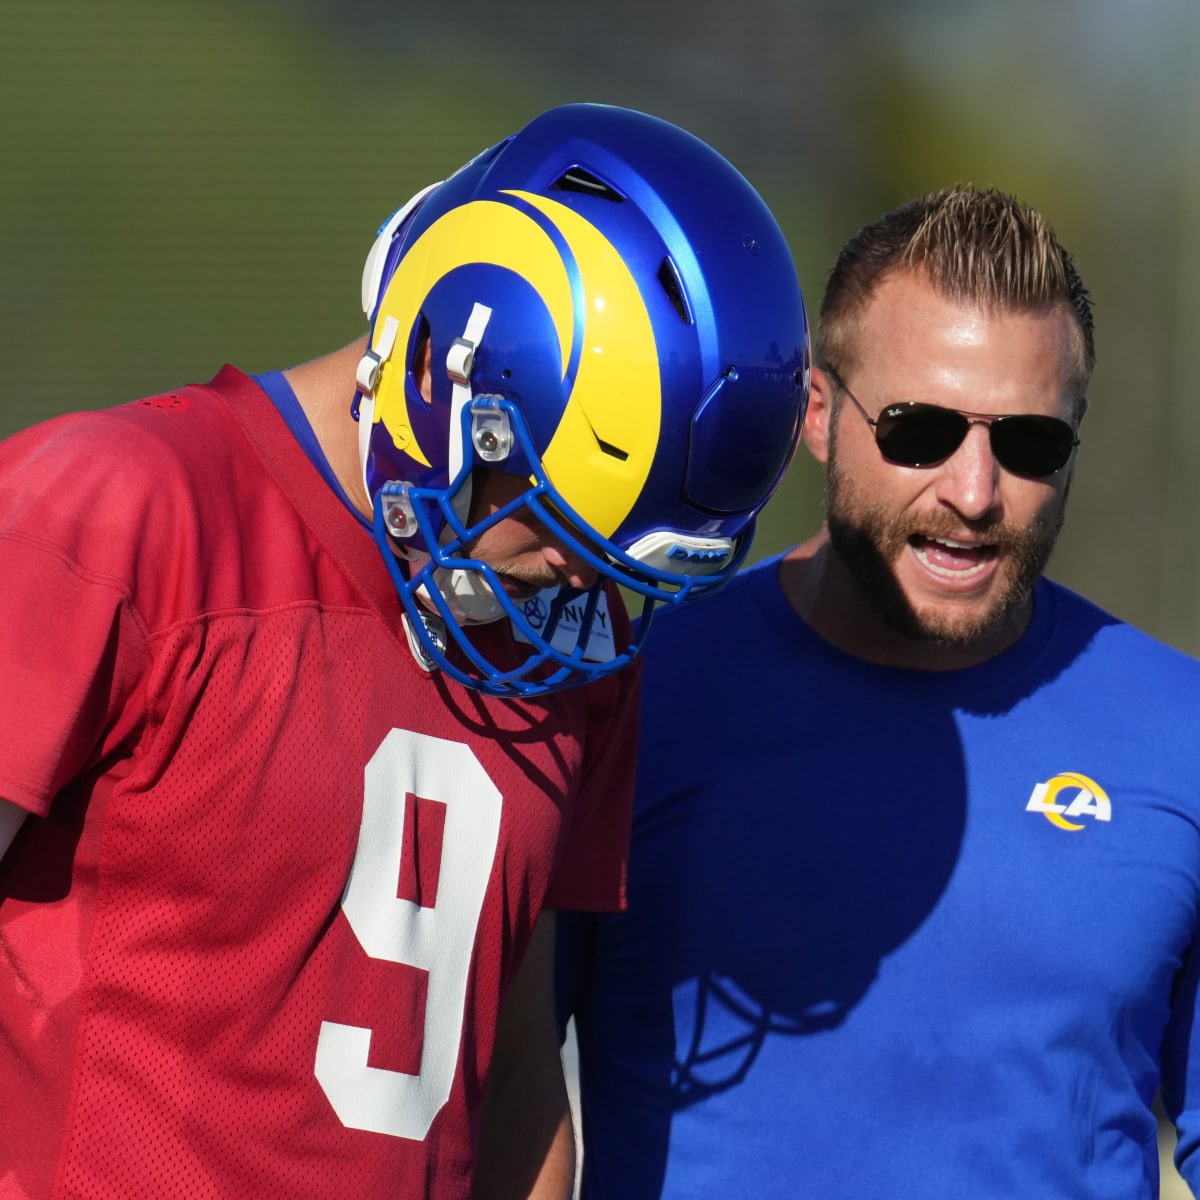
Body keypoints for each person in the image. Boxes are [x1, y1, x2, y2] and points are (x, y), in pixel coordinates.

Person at [0, 102, 810, 1200]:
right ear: (458, 368)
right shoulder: (121, 507)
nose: (583, 588)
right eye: (563, 526)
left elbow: (517, 1077)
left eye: (623, 567)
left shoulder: (577, 653)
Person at [557, 185, 1200, 1199]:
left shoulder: (1180, 740)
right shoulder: (628, 702)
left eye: (1030, 444)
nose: (975, 492)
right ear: (819, 416)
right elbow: (499, 1101)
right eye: (920, 430)